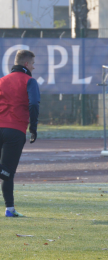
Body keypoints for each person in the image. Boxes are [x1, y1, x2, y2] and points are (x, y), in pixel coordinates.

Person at [0, 50, 40, 217]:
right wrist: (33, 127)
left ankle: (10, 209)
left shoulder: (1, 81)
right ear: (26, 64)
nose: (34, 67)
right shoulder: (29, 81)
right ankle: (9, 210)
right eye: (32, 64)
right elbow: (34, 104)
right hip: (15, 130)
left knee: (5, 171)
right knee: (7, 172)